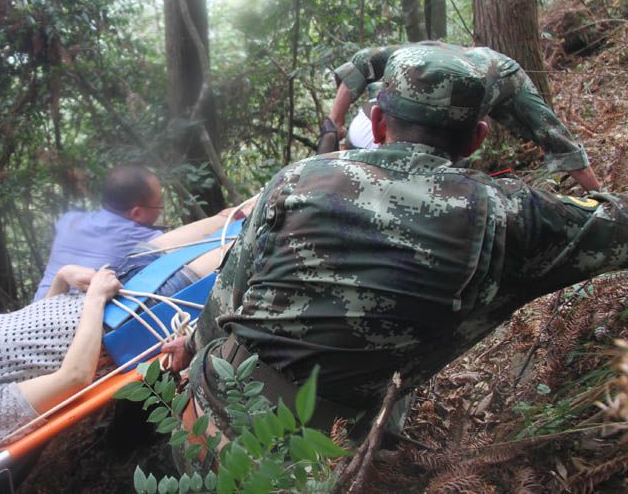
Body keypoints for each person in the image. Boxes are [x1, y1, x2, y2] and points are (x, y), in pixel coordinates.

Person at [163, 45, 628, 469]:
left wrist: (187, 351)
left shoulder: (298, 178)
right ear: (477, 139)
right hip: (324, 458)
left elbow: (226, 302)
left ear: (378, 121)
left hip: (210, 419)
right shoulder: (511, 216)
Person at [0, 204, 252, 477]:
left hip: (112, 281)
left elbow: (32, 333)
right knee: (245, 240)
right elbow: (72, 377)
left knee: (227, 219)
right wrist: (94, 301)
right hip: (129, 315)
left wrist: (62, 279)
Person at [319, 41, 601, 191]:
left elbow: (556, 138)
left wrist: (597, 195)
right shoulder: (413, 57)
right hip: (378, 129)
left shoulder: (504, 74)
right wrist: (334, 123)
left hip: (404, 136)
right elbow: (362, 63)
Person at [33, 165, 165, 300]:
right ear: (136, 213)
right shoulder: (142, 238)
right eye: (160, 204)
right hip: (77, 319)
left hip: (35, 312)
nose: (161, 210)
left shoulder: (69, 220)